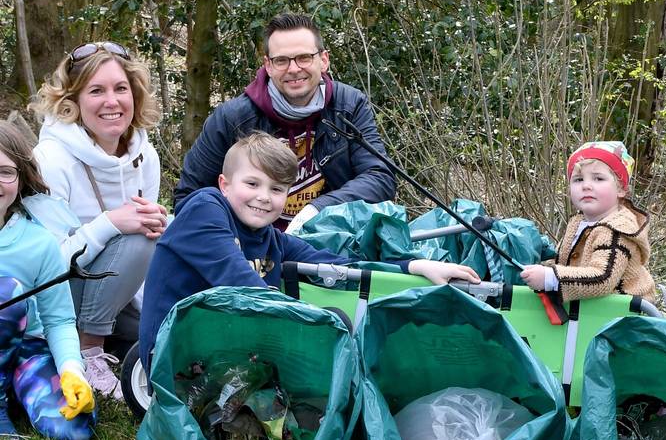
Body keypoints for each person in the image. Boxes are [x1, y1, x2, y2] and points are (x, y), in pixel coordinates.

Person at [140, 132, 477, 373]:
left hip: (230, 351)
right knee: (323, 338)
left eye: (276, 189)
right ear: (225, 185)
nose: (263, 197)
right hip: (175, 354)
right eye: (252, 184)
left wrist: (414, 266)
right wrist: (312, 322)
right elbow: (237, 282)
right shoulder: (206, 208)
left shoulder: (272, 239)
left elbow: (339, 266)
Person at [29, 41, 166, 400]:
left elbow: (134, 258)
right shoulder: (51, 159)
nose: (112, 101)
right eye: (96, 91)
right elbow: (45, 267)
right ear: (72, 101)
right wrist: (110, 223)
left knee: (162, 332)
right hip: (53, 298)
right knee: (139, 236)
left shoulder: (144, 155)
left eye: (121, 88)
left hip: (108, 298)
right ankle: (87, 353)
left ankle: (106, 343)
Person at [173, 12, 395, 229]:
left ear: (323, 60)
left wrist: (318, 209)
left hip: (328, 240)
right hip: (254, 248)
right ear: (268, 66)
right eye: (281, 61)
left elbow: (380, 177)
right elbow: (188, 197)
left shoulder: (348, 106)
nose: (294, 69)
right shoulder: (233, 118)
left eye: (304, 57)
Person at [0, 122, 95, 440]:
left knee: (74, 428)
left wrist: (72, 370)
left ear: (21, 178)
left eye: (5, 172)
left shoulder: (39, 242)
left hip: (27, 351)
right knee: (6, 292)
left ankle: (17, 389)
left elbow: (59, 319)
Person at [519, 140, 656, 303]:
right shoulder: (577, 223)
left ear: (621, 189)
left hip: (623, 315)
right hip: (590, 311)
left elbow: (602, 278)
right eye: (578, 180)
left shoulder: (618, 228)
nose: (586, 186)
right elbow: (562, 261)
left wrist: (550, 277)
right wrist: (540, 269)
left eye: (598, 179)